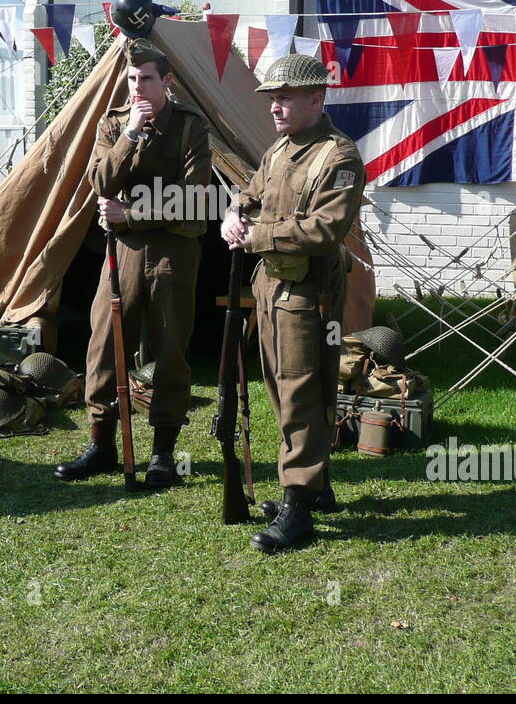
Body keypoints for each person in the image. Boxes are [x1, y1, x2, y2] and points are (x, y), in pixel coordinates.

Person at [222, 53, 365, 552]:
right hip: (270, 289)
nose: (274, 108)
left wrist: (256, 234)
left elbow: (325, 230)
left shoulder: (338, 157)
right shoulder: (280, 151)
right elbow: (252, 193)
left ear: (315, 98)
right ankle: (315, 487)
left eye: (283, 98)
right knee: (279, 385)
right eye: (271, 99)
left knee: (303, 389)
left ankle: (298, 508)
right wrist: (233, 214)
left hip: (309, 295)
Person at [56, 39, 212, 488]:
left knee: (169, 349)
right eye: (131, 78)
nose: (137, 87)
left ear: (166, 81)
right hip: (122, 252)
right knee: (105, 343)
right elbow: (101, 181)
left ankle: (163, 452)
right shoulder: (113, 126)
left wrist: (132, 213)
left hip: (173, 252)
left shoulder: (190, 127)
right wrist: (130, 136)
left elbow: (195, 198)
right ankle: (102, 444)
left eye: (146, 78)